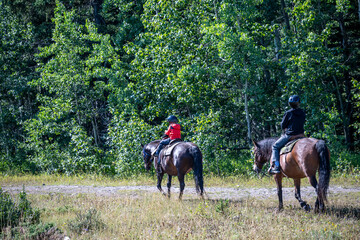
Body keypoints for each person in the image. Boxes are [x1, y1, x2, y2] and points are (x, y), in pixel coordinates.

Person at [269, 95, 306, 175]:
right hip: (301, 135)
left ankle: (276, 166)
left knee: (275, 146)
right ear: (298, 103)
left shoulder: (288, 113)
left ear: (290, 104)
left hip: (290, 135)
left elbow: (283, 125)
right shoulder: (303, 112)